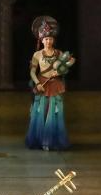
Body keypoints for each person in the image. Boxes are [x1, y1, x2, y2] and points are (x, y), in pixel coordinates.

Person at [25, 17, 74, 151]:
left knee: (54, 112)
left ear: (53, 40)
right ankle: (41, 139)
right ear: (41, 40)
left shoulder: (58, 53)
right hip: (42, 84)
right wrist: (37, 83)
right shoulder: (37, 55)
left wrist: (62, 68)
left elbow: (70, 61)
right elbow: (32, 72)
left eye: (50, 39)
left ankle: (52, 139)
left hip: (55, 85)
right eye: (46, 39)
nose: (48, 41)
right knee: (41, 112)